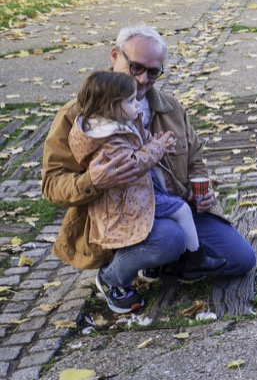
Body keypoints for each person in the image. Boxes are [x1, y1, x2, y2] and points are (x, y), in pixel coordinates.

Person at [42, 25, 257, 313]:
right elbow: (52, 185)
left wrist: (201, 187)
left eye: (153, 72)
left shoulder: (170, 106)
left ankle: (164, 263)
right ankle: (112, 277)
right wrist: (92, 180)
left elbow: (194, 156)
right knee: (170, 237)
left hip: (175, 205)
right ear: (115, 55)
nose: (143, 80)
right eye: (136, 67)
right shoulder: (79, 116)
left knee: (242, 259)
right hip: (120, 216)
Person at [68, 72, 206, 311]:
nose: (137, 104)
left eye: (154, 70)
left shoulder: (120, 122)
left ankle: (169, 264)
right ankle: (113, 277)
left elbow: (142, 143)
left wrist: (155, 141)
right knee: (177, 219)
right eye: (131, 101)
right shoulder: (107, 137)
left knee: (236, 257)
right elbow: (131, 164)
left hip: (139, 197)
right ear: (113, 106)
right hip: (123, 204)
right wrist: (157, 147)